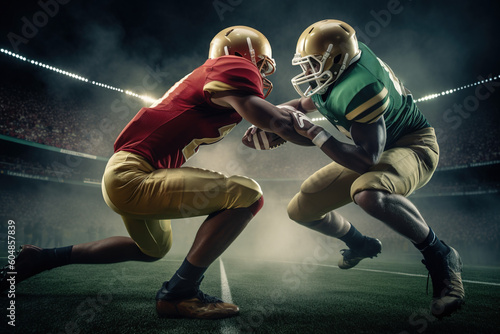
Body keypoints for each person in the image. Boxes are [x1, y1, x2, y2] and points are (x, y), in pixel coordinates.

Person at [0, 25, 311, 319]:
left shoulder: (219, 79)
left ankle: (41, 258)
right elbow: (280, 121)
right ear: (246, 54)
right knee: (247, 194)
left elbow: (280, 112)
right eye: (262, 64)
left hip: (128, 174)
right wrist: (325, 140)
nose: (263, 73)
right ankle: (179, 293)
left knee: (153, 248)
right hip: (135, 176)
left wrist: (317, 103)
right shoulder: (233, 66)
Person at [279, 19, 465, 318]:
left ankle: (441, 255)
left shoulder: (360, 86)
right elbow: (301, 106)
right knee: (301, 208)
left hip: (412, 146)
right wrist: (269, 121)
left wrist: (314, 132)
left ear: (335, 61)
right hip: (377, 148)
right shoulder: (341, 66)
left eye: (313, 64)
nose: (307, 72)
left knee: (367, 193)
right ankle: (360, 244)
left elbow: (367, 159)